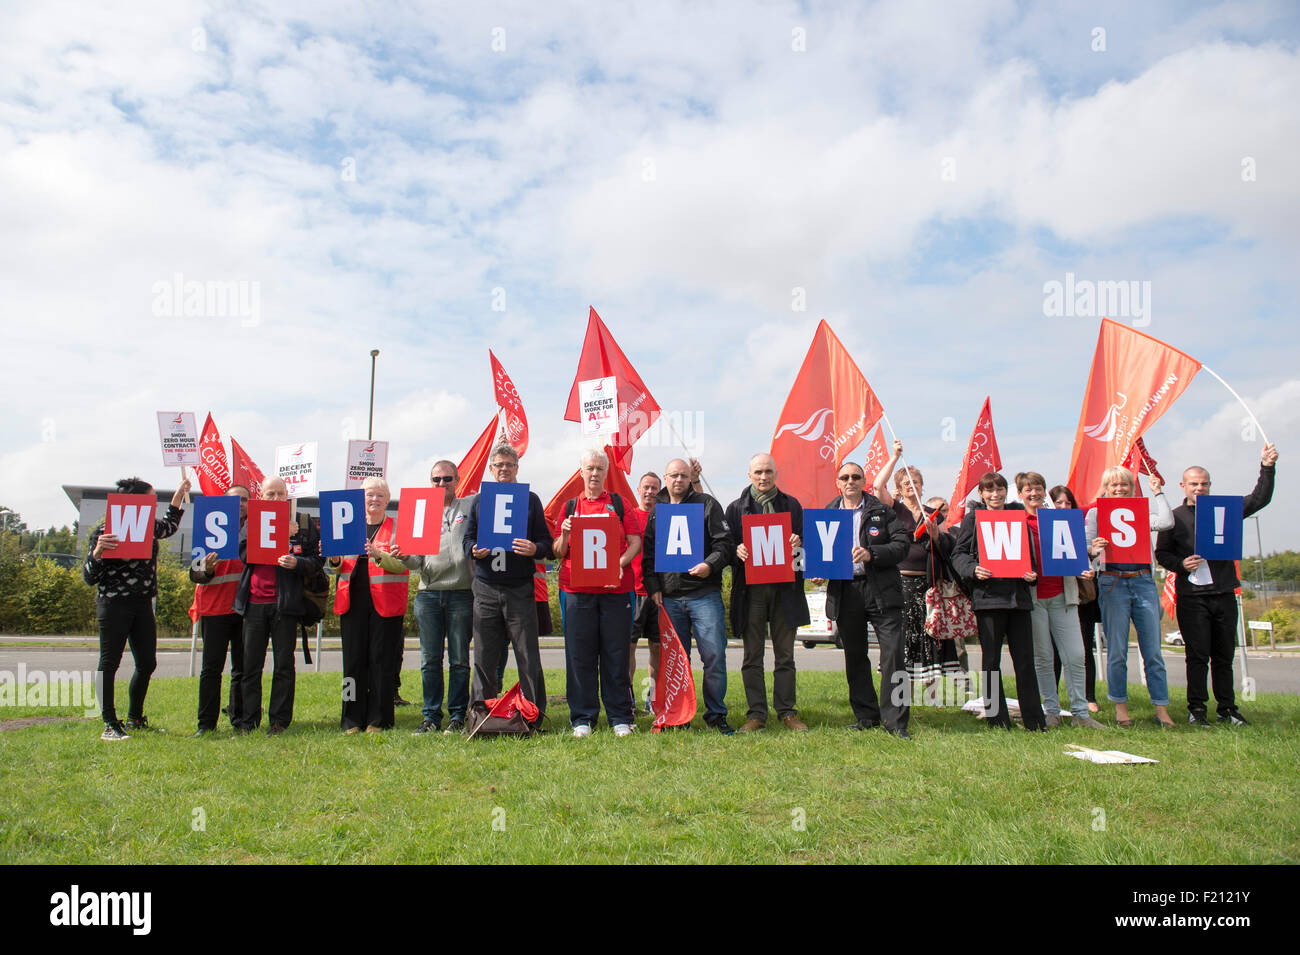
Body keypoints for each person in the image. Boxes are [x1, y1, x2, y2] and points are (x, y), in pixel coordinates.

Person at [1156, 443, 1277, 725]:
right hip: (1192, 597)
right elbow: (1162, 554)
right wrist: (1180, 565)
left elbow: (1259, 499)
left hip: (1223, 593)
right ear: (1183, 486)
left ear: (1210, 485)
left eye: (1204, 483)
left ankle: (1228, 709)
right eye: (1194, 484)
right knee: (1197, 656)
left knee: (1224, 655)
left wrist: (1267, 467)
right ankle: (1197, 710)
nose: (1199, 488)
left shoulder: (1225, 509)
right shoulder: (1172, 517)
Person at [83, 475, 190, 741]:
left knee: (147, 662)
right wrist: (97, 553)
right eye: (150, 500)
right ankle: (109, 723)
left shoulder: (148, 526)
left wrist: (179, 493)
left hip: (142, 603)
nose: (153, 505)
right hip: (113, 604)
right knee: (109, 662)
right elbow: (88, 577)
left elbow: (170, 526)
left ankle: (135, 718)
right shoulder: (104, 531)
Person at [641, 458, 735, 734]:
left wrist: (710, 565)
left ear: (689, 477)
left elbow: (725, 544)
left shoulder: (707, 505)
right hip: (669, 598)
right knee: (674, 661)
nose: (679, 480)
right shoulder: (657, 511)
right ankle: (677, 717)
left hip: (704, 595)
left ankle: (716, 715)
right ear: (666, 478)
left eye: (684, 475)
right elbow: (648, 555)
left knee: (714, 656)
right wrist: (653, 587)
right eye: (674, 475)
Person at [553, 449, 642, 737]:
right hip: (576, 592)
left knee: (616, 653)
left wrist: (619, 563)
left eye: (599, 469)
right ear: (581, 472)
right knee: (580, 655)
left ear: (605, 473)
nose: (594, 473)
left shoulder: (619, 504)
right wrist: (565, 533)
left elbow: (635, 542)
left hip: (616, 591)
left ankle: (620, 717)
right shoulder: (568, 508)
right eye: (589, 468)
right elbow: (557, 552)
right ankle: (582, 718)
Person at [464, 444, 554, 718]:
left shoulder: (531, 499)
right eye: (499, 465)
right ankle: (481, 713)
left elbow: (547, 543)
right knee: (484, 656)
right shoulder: (480, 500)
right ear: (491, 469)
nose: (504, 469)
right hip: (486, 587)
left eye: (509, 465)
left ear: (517, 468)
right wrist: (473, 550)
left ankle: (534, 713)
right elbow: (466, 540)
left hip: (519, 588)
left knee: (527, 654)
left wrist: (534, 549)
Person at [823, 460, 912, 736]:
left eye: (856, 477)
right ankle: (866, 716)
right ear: (837, 482)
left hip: (881, 590)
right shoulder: (826, 512)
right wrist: (820, 571)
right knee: (855, 656)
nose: (850, 481)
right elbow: (820, 551)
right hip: (846, 592)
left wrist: (872, 554)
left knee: (893, 656)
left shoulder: (882, 511)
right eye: (845, 477)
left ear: (863, 481)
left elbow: (902, 545)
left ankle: (895, 722)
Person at [951, 472, 1046, 731]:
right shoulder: (973, 519)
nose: (995, 495)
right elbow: (957, 555)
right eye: (989, 490)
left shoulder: (1019, 518)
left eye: (1000, 489)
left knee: (1025, 660)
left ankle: (1035, 721)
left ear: (1008, 491)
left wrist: (1032, 575)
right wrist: (973, 569)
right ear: (981, 493)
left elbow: (1030, 556)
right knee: (991, 661)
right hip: (989, 600)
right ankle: (997, 719)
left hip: (1018, 600)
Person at [1084, 466, 1175, 727]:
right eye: (1113, 485)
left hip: (1143, 580)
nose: (1119, 489)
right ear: (1106, 488)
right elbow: (1086, 549)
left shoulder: (1141, 511)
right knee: (1117, 651)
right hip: (1113, 582)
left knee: (1153, 652)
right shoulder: (1095, 513)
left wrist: (1158, 493)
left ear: (1132, 487)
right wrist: (1094, 548)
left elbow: (1167, 522)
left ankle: (1161, 708)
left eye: (1124, 484)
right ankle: (1120, 707)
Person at [726, 453, 810, 732]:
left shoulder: (792, 505)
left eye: (768, 472)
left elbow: (804, 555)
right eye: (758, 472)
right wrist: (735, 550)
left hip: (786, 589)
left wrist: (798, 544)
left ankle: (787, 712)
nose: (764, 477)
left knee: (785, 655)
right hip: (751, 592)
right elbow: (724, 548)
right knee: (752, 656)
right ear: (749, 475)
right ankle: (756, 714)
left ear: (776, 474)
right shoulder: (736, 508)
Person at [874, 440, 964, 700]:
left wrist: (936, 535)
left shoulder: (931, 514)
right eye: (906, 484)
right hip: (900, 583)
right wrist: (894, 457)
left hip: (928, 584)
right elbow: (877, 486)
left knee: (930, 638)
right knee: (904, 640)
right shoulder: (896, 511)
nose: (913, 488)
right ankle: (904, 696)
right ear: (900, 489)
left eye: (917, 483)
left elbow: (946, 547)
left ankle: (933, 697)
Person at [232, 476, 322, 735]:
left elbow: (316, 561)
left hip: (286, 605)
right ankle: (248, 721)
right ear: (261, 496)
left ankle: (279, 722)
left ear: (288, 495)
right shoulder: (252, 522)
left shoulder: (304, 523)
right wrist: (280, 531)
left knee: (284, 665)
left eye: (280, 493)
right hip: (254, 604)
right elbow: (245, 555)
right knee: (251, 667)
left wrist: (298, 564)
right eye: (270, 494)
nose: (275, 498)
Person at [1016, 472, 1104, 729]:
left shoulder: (1061, 519)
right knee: (1043, 657)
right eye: (1028, 490)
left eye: (1038, 489)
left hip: (1063, 596)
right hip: (1034, 599)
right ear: (1020, 494)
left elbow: (1075, 555)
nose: (1034, 494)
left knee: (1076, 655)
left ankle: (1081, 713)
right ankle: (1051, 711)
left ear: (1045, 492)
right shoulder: (1016, 522)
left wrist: (1084, 568)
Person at [327, 477, 408, 733]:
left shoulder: (397, 529)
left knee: (381, 662)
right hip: (352, 602)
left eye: (379, 495)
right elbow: (336, 566)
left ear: (387, 499)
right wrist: (335, 558)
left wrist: (378, 555)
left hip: (385, 603)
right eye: (369, 495)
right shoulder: (347, 526)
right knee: (352, 663)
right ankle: (351, 718)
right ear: (360, 500)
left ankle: (378, 719)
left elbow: (404, 565)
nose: (374, 499)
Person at [404, 460, 474, 734]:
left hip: (461, 593)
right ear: (429, 482)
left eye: (447, 478)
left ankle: (457, 716)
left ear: (457, 479)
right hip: (429, 595)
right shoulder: (420, 510)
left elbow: (497, 489)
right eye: (436, 479)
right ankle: (431, 716)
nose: (441, 484)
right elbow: (413, 562)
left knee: (459, 659)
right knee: (430, 660)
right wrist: (403, 555)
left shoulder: (469, 506)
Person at [189, 483, 250, 736]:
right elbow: (194, 573)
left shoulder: (257, 528)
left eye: (245, 500)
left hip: (245, 610)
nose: (240, 504)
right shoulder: (207, 526)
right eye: (235, 500)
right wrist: (207, 568)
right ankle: (206, 724)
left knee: (243, 669)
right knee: (211, 669)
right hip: (214, 610)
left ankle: (239, 720)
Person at [1048, 485, 1100, 713]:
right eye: (1058, 502)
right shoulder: (1043, 528)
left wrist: (1088, 565)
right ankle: (1053, 698)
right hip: (1052, 596)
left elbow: (1083, 560)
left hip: (1079, 597)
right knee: (1052, 652)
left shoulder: (1078, 528)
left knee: (1083, 649)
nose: (1063, 506)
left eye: (1068, 503)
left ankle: (1088, 697)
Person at [628, 471, 663, 712]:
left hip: (658, 594)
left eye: (654, 488)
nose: (650, 492)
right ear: (638, 490)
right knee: (627, 648)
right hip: (632, 592)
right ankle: (627, 697)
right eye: (646, 487)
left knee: (657, 647)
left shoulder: (666, 517)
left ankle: (653, 697)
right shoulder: (628, 516)